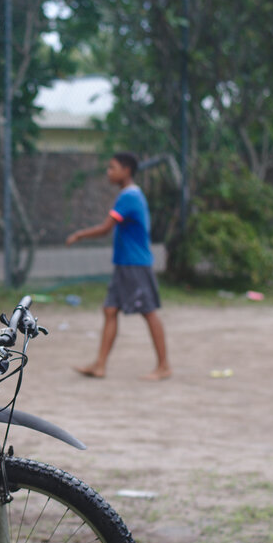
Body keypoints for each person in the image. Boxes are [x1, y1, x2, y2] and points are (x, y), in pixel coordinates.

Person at [65, 152, 172, 381]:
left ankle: (164, 366)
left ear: (126, 170)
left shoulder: (129, 197)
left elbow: (106, 228)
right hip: (125, 264)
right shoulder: (131, 195)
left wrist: (79, 235)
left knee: (149, 312)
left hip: (136, 264)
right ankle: (100, 365)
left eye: (112, 168)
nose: (108, 172)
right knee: (110, 310)